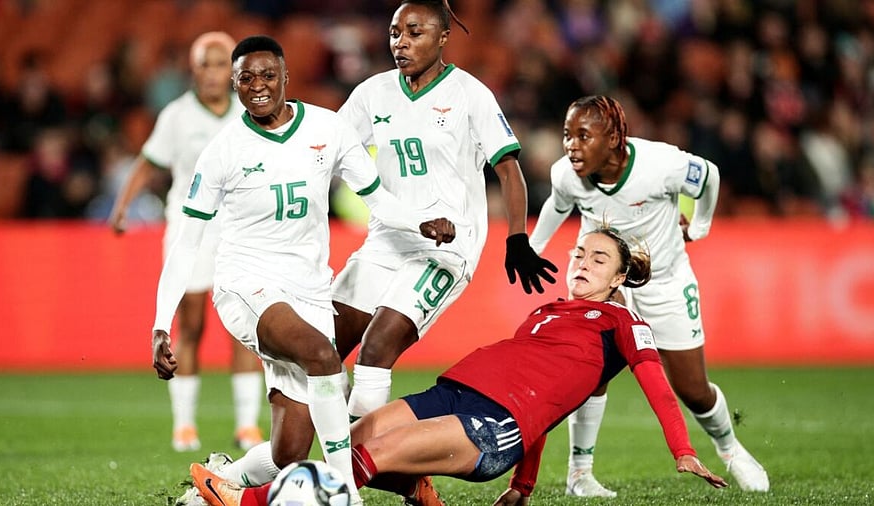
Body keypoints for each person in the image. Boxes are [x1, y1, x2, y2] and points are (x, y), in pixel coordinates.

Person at [189, 226, 729, 506]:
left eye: (597, 259)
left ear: (618, 278)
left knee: (372, 456)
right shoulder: (548, 313)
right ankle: (414, 489)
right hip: (453, 394)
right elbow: (549, 399)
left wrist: (683, 451)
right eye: (579, 254)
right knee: (344, 441)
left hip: (494, 426)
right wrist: (526, 487)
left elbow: (657, 386)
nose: (582, 263)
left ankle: (247, 499)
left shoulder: (622, 323)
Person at [151, 34, 455, 506]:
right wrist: (159, 323)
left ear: (285, 77)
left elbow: (376, 198)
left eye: (267, 75)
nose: (258, 86)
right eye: (245, 78)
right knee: (323, 357)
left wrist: (421, 221)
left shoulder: (327, 129)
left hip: (309, 290)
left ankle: (219, 483)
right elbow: (187, 241)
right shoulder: (223, 151)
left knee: (289, 449)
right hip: (245, 285)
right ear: (234, 85)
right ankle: (346, 495)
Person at [528, 95, 769, 495]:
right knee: (590, 373)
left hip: (665, 282)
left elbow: (708, 176)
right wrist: (531, 248)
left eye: (583, 135)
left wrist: (702, 225)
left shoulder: (660, 165)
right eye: (567, 134)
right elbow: (558, 204)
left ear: (614, 138)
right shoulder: (567, 173)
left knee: (693, 388)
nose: (571, 144)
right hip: (610, 285)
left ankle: (730, 449)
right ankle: (579, 474)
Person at [333, 0, 556, 424]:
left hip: (447, 246)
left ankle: (349, 471)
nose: (401, 42)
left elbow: (508, 170)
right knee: (323, 350)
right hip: (386, 238)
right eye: (395, 32)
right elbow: (330, 150)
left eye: (414, 32)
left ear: (443, 37)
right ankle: (369, 453)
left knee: (377, 349)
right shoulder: (371, 93)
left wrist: (517, 237)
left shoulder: (470, 95)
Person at [109, 32, 266, 453]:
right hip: (190, 229)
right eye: (205, 64)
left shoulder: (249, 111)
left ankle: (247, 425)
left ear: (233, 71)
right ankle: (184, 425)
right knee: (191, 326)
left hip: (238, 228)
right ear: (193, 69)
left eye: (220, 64)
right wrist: (121, 207)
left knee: (244, 327)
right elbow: (149, 162)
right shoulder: (177, 116)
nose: (213, 72)